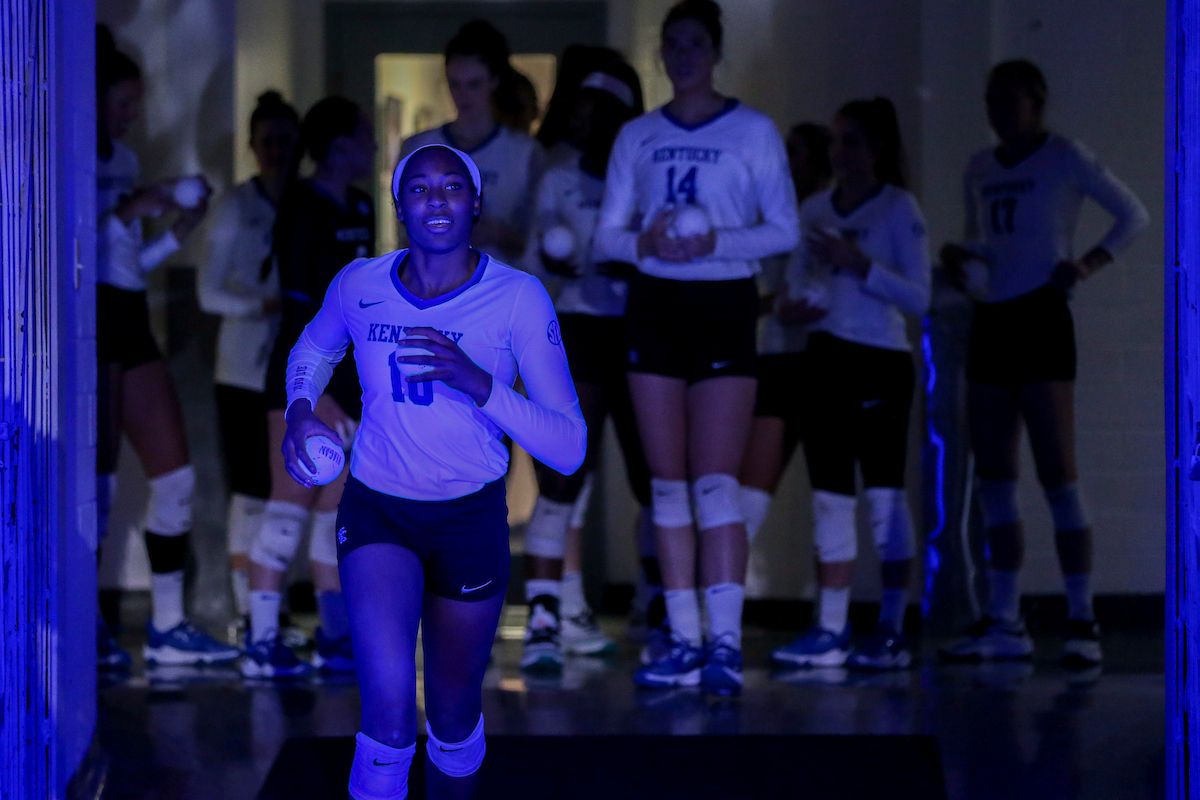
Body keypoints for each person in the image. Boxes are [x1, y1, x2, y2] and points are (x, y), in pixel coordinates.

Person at [281, 143, 585, 800]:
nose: (437, 199)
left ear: (475, 203)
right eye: (420, 188)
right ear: (399, 206)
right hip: (378, 510)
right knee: (388, 718)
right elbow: (311, 350)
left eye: (453, 186)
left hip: (469, 522)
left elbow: (569, 447)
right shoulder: (359, 284)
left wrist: (479, 385)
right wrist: (299, 412)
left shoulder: (518, 299)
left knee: (451, 716)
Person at [595, 0, 800, 695]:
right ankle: (683, 641)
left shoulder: (753, 131)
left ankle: (726, 646)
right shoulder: (638, 136)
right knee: (667, 488)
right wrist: (644, 243)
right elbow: (606, 238)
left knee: (716, 486)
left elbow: (783, 230)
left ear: (715, 52)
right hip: (655, 306)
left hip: (722, 305)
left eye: (694, 43)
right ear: (662, 55)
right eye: (672, 44)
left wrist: (716, 241)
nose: (683, 55)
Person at [938, 60, 1149, 666]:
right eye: (990, 98)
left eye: (1009, 97)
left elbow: (1133, 214)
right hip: (993, 321)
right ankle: (1005, 623)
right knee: (996, 480)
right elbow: (984, 239)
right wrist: (959, 255)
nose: (997, 109)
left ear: (1037, 101)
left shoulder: (1065, 156)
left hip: (1042, 318)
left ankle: (1082, 618)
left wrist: (1085, 265)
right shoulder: (979, 166)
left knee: (1058, 476)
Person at [93, 25, 239, 670]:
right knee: (91, 489)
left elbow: (126, 260)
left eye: (133, 104)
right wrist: (136, 206)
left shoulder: (123, 161)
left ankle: (168, 623)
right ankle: (89, 625)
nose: (129, 116)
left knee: (176, 477)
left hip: (127, 314)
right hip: (84, 323)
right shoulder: (67, 155)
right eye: (119, 103)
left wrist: (176, 229)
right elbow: (78, 244)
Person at [767, 99, 931, 671]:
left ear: (879, 149)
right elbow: (791, 287)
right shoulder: (813, 207)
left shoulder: (898, 208)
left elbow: (920, 297)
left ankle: (890, 627)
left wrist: (858, 263)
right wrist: (789, 310)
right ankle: (831, 627)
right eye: (835, 141)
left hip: (881, 361)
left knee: (885, 499)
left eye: (852, 141)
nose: (840, 152)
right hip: (825, 359)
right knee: (830, 499)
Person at [519, 62, 654, 673]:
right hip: (576, 331)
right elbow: (531, 264)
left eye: (594, 114)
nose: (581, 123)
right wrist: (558, 271)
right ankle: (544, 617)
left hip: (640, 332)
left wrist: (640, 271)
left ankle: (660, 605)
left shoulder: (645, 179)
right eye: (576, 113)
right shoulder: (557, 178)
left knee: (657, 478)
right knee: (563, 475)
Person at [241, 96, 377, 678]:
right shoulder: (301, 206)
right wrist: (314, 393)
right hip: (304, 376)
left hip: (349, 378)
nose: (373, 145)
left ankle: (335, 635)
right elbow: (300, 307)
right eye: (364, 134)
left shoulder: (365, 204)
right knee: (288, 505)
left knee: (336, 505)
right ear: (340, 145)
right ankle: (260, 642)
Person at [199, 90, 300, 630]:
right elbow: (208, 293)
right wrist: (262, 304)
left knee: (292, 487)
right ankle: (248, 606)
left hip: (296, 368)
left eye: (287, 140)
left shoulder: (308, 204)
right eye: (268, 142)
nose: (278, 152)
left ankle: (274, 599)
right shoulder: (237, 207)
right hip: (242, 366)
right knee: (251, 488)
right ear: (252, 146)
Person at [738, 122, 833, 598]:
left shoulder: (833, 217)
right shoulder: (766, 217)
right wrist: (777, 304)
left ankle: (830, 618)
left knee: (832, 497)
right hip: (777, 360)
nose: (784, 162)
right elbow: (747, 296)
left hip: (827, 361)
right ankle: (717, 609)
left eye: (794, 153)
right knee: (748, 495)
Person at [401, 20, 543, 264]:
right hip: (435, 291)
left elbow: (538, 241)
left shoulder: (523, 153)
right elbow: (404, 235)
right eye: (454, 84)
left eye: (474, 85)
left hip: (500, 289)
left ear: (494, 81)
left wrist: (496, 233)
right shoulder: (418, 148)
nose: (462, 96)